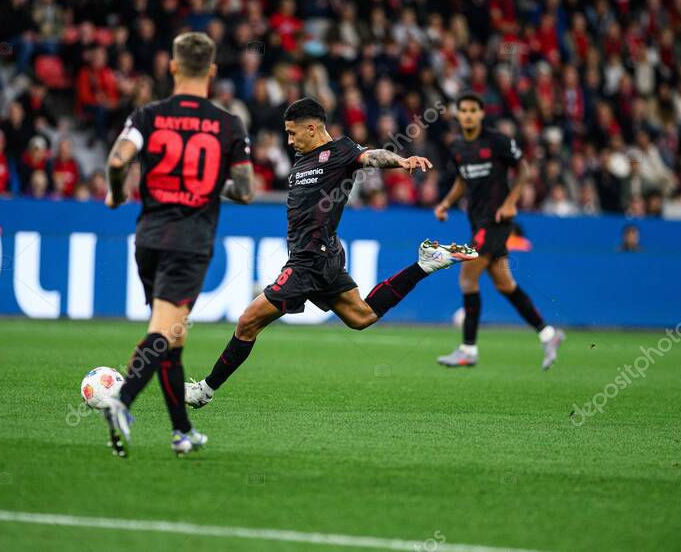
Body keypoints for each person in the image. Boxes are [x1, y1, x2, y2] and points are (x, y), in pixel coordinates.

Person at [184, 98, 477, 409]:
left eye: (293, 133)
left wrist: (401, 161)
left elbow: (372, 156)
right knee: (361, 317)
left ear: (312, 128)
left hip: (310, 260)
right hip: (320, 256)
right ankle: (425, 264)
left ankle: (205, 389)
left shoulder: (340, 152)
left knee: (247, 322)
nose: (290, 140)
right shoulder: (300, 161)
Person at [102, 32, 255, 457]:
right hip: (189, 240)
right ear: (211, 71)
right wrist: (205, 184)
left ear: (172, 66)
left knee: (173, 332)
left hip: (149, 236)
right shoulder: (229, 124)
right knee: (165, 328)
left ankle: (182, 432)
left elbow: (118, 160)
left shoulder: (148, 115)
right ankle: (122, 400)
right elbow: (244, 190)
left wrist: (117, 194)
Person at [434, 93, 564, 370]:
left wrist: (510, 203)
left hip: (495, 222)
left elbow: (524, 170)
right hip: (477, 220)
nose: (468, 115)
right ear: (458, 115)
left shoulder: (497, 141)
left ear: (481, 114)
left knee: (467, 278)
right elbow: (461, 180)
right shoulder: (458, 148)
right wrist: (445, 203)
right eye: (463, 110)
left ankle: (468, 349)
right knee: (505, 285)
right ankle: (548, 334)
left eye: (473, 110)